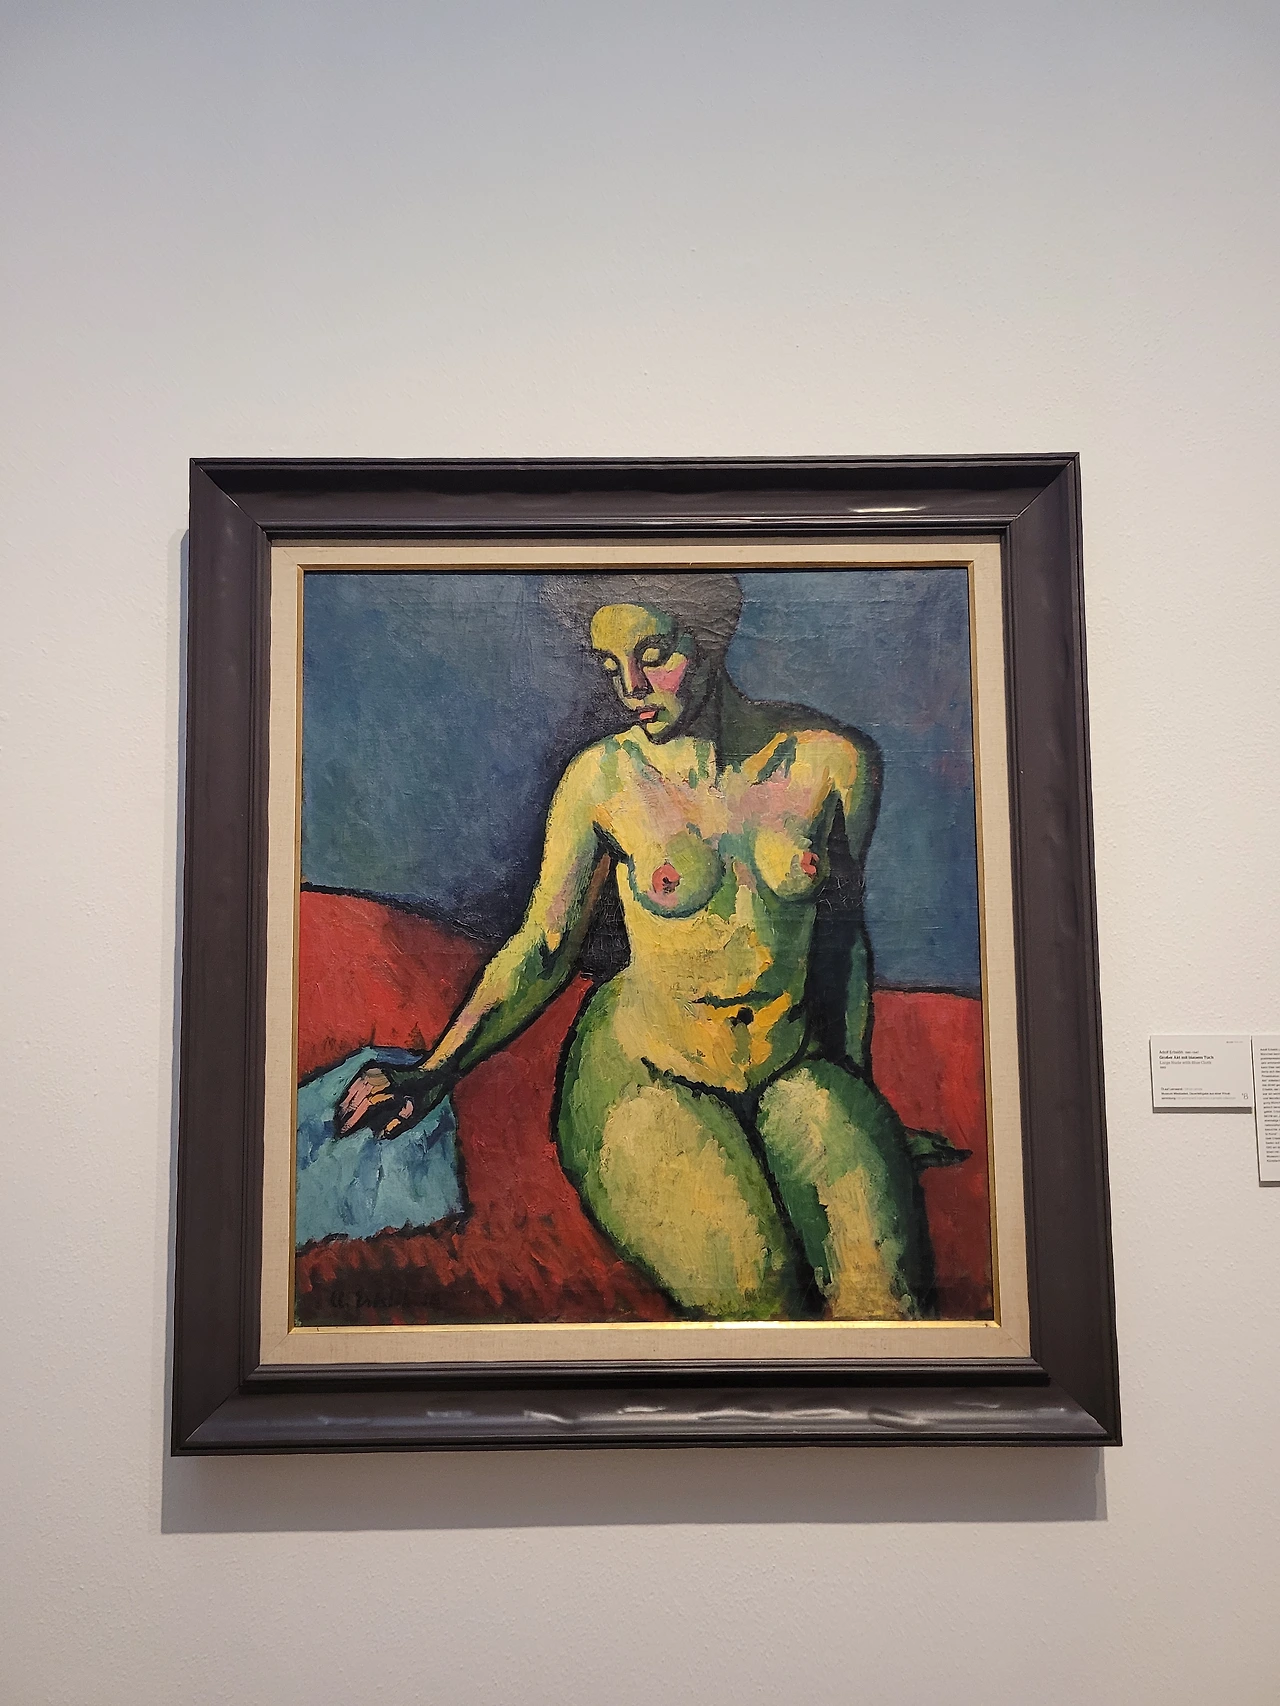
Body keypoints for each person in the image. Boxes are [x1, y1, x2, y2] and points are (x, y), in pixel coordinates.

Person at [337, 572, 944, 1320]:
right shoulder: (602, 781)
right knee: (757, 1295)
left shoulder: (834, 764)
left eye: (653, 654)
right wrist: (435, 1071)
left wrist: (861, 1103)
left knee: (888, 1303)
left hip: (793, 1063)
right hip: (647, 1072)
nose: (630, 687)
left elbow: (842, 947)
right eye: (610, 665)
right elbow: (545, 946)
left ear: (713, 638)